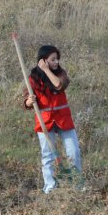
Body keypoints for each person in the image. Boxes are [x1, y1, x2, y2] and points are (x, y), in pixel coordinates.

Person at [22, 45, 82, 192]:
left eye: (57, 59)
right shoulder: (33, 79)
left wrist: (46, 69)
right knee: (47, 155)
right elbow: (26, 102)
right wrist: (29, 101)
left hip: (63, 119)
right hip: (45, 121)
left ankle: (77, 184)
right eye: (53, 59)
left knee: (73, 151)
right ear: (43, 60)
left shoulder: (61, 74)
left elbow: (59, 85)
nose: (56, 62)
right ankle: (49, 187)